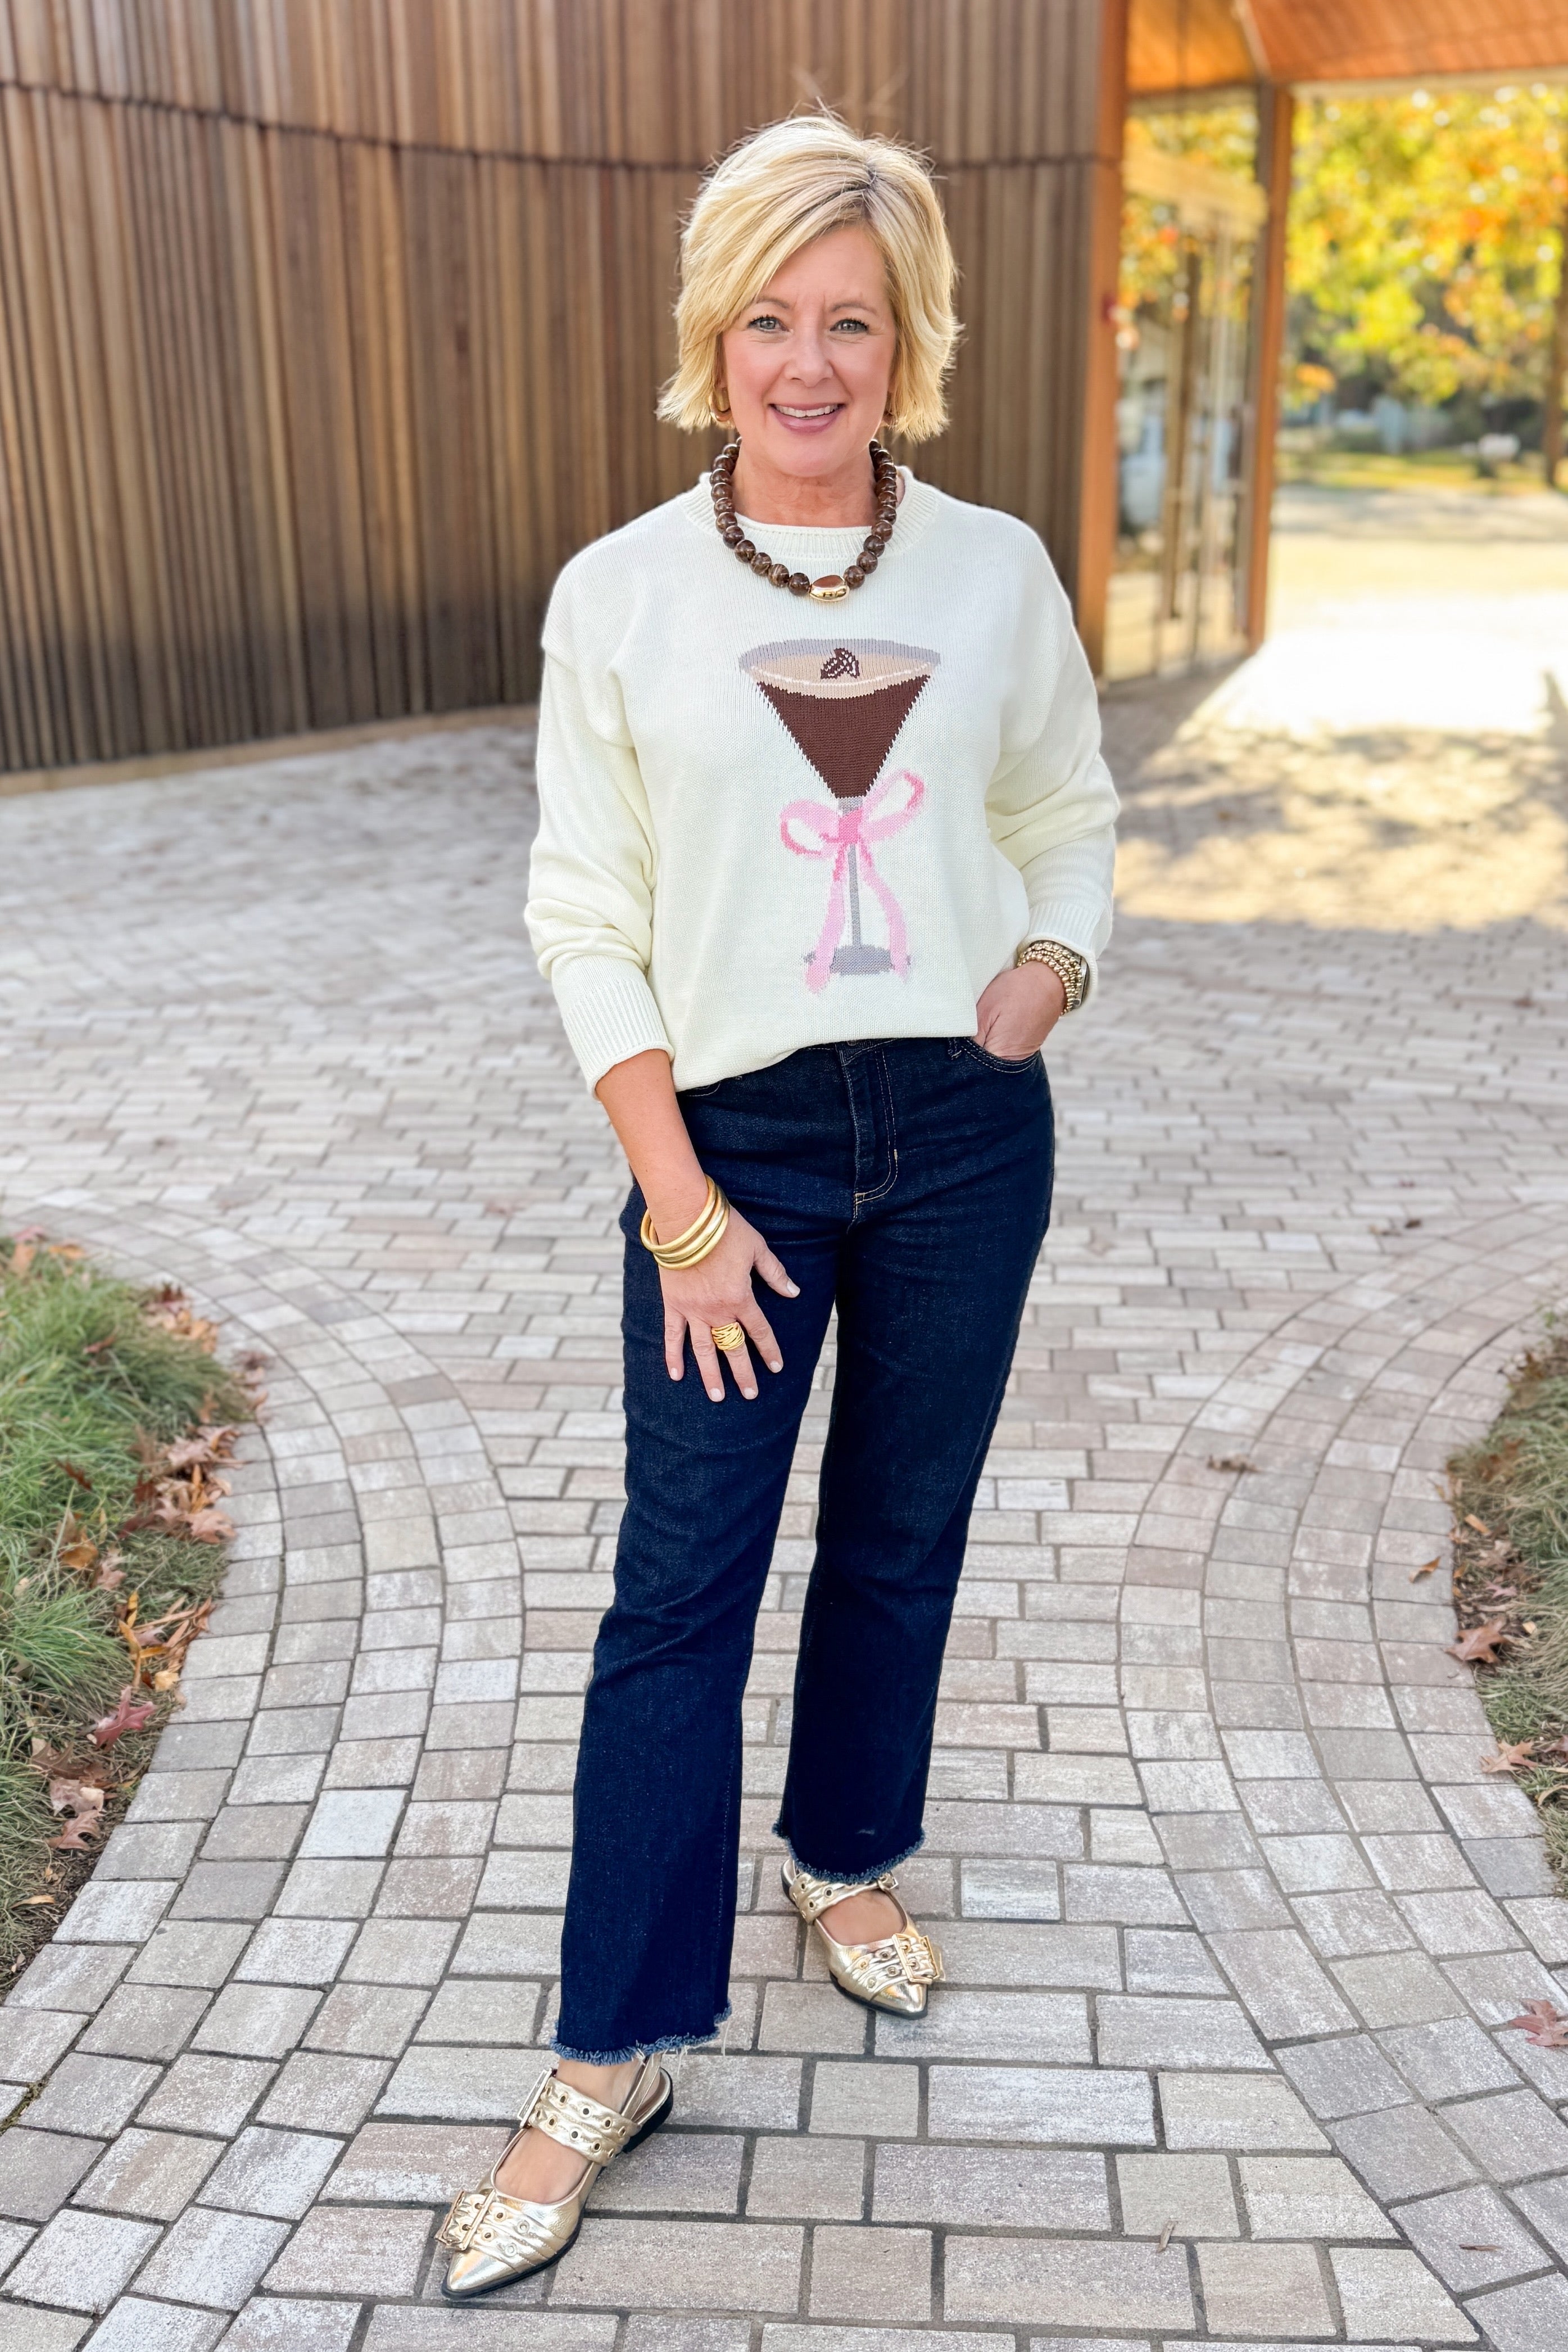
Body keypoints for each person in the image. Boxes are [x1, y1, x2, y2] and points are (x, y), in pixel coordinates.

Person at [439, 111, 1117, 2299]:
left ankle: (841, 1855)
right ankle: (612, 2043)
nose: (807, 363)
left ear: (906, 342)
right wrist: (674, 1207)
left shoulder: (992, 572)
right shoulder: (621, 595)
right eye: (768, 319)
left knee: (900, 1538)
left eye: (851, 321)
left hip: (958, 1136)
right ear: (710, 333)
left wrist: (1035, 975)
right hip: (718, 1150)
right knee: (675, 1593)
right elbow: (583, 909)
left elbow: (1058, 805)